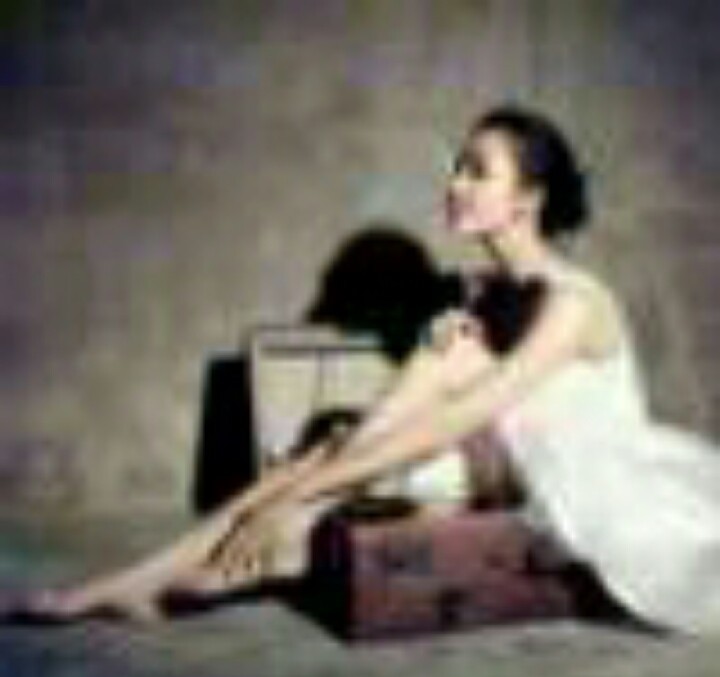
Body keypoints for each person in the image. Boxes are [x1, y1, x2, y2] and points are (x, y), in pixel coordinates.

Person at [8, 105, 720, 634]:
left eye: (477, 171)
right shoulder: (485, 294)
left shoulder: (574, 302)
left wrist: (300, 491)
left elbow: (463, 415)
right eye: (457, 167)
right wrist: (316, 476)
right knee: (377, 407)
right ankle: (139, 582)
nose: (455, 183)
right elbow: (434, 417)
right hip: (500, 460)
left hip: (580, 484)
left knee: (411, 388)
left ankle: (256, 538)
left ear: (527, 199)